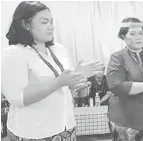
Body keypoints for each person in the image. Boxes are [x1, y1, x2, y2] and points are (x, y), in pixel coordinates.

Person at [1, 1, 104, 140]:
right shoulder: (13, 53)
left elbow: (65, 86)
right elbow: (17, 98)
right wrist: (58, 82)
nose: (51, 27)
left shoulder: (58, 49)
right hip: (34, 132)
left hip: (66, 127)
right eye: (44, 22)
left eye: (51, 22)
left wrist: (76, 79)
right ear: (25, 25)